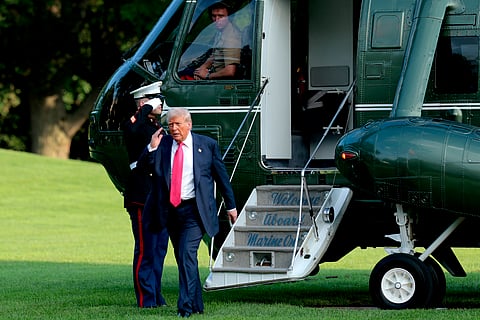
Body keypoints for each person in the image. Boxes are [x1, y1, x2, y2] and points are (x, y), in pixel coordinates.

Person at [142, 107, 238, 317]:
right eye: (170, 125)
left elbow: (222, 177)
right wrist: (151, 147)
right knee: (183, 258)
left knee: (187, 254)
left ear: (189, 124)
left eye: (177, 124)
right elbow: (144, 168)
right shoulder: (164, 144)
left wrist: (231, 206)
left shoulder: (207, 145)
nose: (174, 128)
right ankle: (196, 304)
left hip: (195, 210)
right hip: (170, 211)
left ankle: (184, 307)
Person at [122, 81, 169, 308]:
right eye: (155, 99)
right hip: (141, 194)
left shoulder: (155, 127)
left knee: (159, 249)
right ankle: (145, 298)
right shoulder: (135, 124)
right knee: (145, 247)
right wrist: (147, 107)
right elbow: (132, 129)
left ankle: (156, 295)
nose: (160, 103)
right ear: (144, 101)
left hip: (160, 196)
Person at [193, 1, 241, 80]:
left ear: (229, 17)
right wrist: (202, 68)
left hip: (218, 82)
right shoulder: (221, 32)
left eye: (221, 16)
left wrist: (207, 76)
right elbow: (215, 54)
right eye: (214, 16)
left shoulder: (231, 38)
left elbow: (230, 71)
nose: (217, 20)